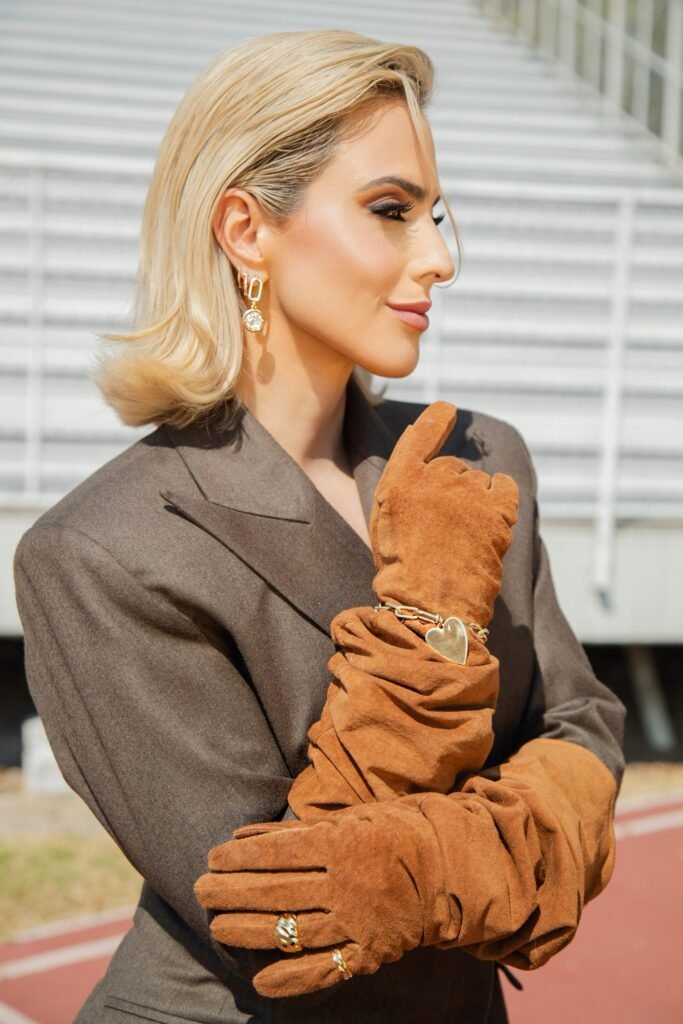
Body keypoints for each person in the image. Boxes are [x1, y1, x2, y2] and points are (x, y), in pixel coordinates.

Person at [12, 28, 625, 1024]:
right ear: (245, 229)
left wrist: (423, 869)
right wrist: (430, 629)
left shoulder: (479, 460)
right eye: (390, 211)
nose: (439, 258)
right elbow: (273, 915)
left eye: (435, 215)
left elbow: (582, 725)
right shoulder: (100, 551)